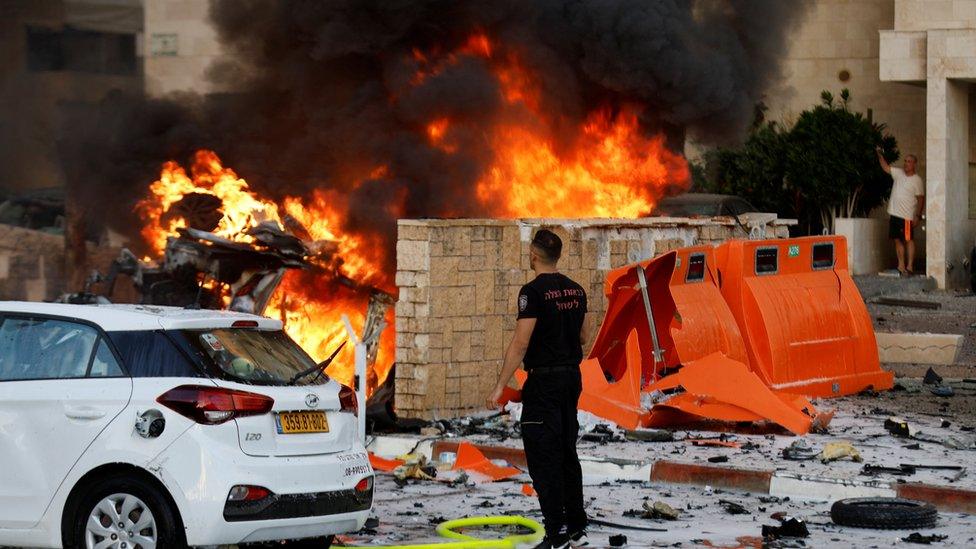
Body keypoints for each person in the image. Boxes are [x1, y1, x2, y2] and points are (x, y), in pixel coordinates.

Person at [486, 229, 590, 549]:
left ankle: (556, 533)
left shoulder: (531, 293)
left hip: (543, 384)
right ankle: (576, 527)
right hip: (571, 379)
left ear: (533, 255)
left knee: (544, 456)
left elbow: (520, 343)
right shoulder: (576, 290)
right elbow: (585, 337)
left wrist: (499, 387)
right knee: (566, 453)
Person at [877, 148, 925, 276]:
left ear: (914, 164)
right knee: (897, 240)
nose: (906, 163)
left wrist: (918, 216)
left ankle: (910, 266)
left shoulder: (917, 180)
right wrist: (879, 154)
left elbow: (921, 199)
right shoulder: (898, 173)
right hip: (894, 215)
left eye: (909, 161)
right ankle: (901, 265)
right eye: (905, 161)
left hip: (907, 217)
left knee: (909, 240)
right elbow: (886, 167)